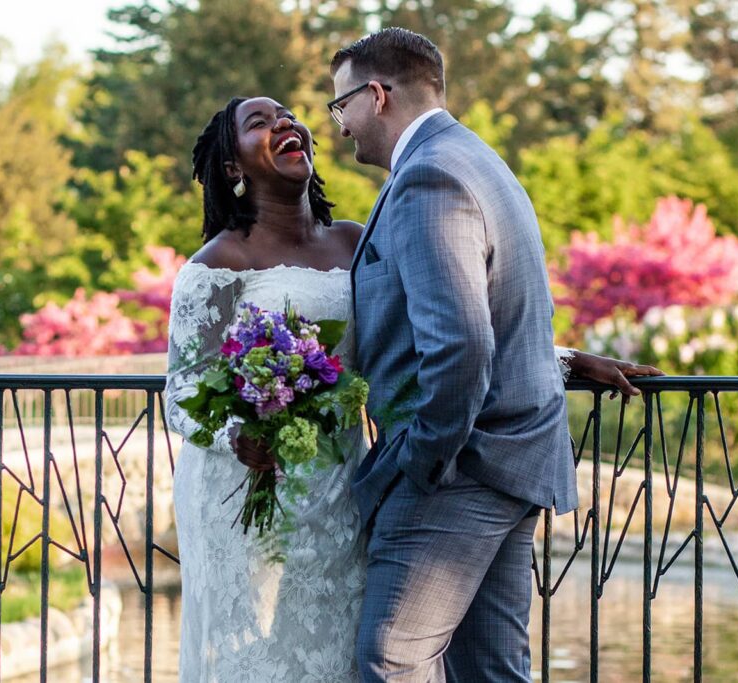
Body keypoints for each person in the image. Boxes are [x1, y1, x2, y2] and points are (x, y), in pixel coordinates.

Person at [164, 95, 660, 681]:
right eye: (260, 123)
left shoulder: (354, 242)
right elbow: (182, 390)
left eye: (289, 115)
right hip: (249, 489)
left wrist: (566, 360)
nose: (285, 124)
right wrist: (236, 435)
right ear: (232, 168)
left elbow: (434, 329)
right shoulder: (217, 264)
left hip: (339, 492)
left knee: (341, 650)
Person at [327, 28, 628, 682]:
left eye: (340, 106)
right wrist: (568, 359)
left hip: (461, 468)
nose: (339, 126)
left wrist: (424, 458)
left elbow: (461, 341)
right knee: (490, 670)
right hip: (512, 457)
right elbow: (488, 311)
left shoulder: (428, 177)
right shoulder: (475, 158)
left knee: (393, 659)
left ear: (376, 96)